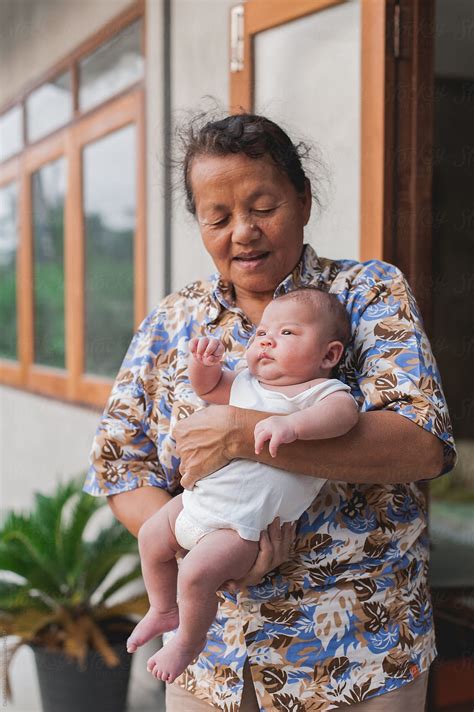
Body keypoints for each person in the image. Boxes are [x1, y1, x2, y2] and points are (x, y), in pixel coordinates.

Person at [84, 113, 456, 711]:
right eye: (220, 217)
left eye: (263, 207)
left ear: (303, 200)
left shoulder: (365, 295)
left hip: (357, 654)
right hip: (208, 662)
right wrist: (205, 547)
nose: (243, 233)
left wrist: (239, 433)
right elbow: (121, 465)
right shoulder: (173, 322)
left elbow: (421, 442)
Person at [126, 288, 359, 684]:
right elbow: (209, 388)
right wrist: (204, 364)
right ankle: (163, 608)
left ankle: (188, 641)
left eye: (286, 333)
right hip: (194, 505)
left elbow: (345, 417)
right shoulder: (247, 383)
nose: (266, 340)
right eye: (261, 333)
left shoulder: (322, 394)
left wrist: (292, 425)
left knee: (196, 572)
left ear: (329, 355)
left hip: (239, 529)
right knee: (150, 537)